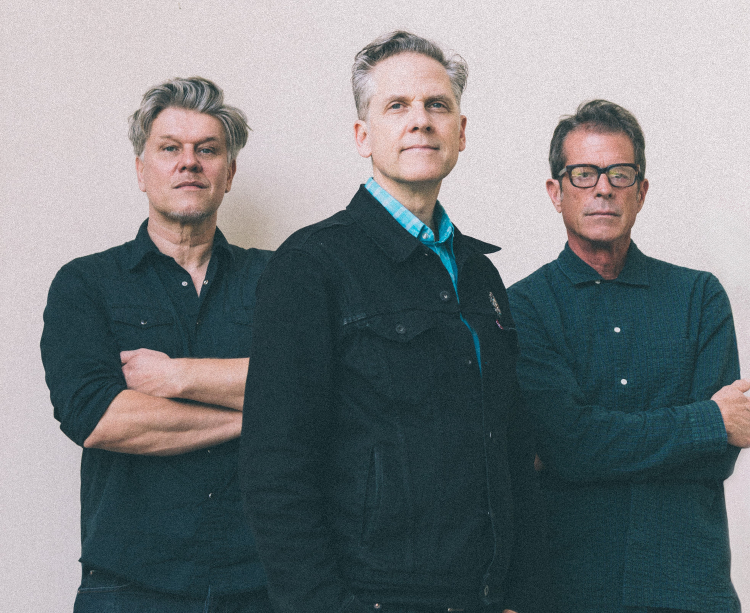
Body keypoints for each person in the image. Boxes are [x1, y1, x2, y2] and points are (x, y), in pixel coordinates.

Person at [239, 31, 546, 613]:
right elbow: (276, 471)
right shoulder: (311, 266)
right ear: (363, 136)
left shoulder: (480, 274)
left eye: (437, 105)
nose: (420, 120)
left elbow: (511, 451)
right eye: (397, 105)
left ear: (461, 131)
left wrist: (519, 595)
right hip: (375, 598)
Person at [507, 99, 750, 613]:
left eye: (619, 174)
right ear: (556, 193)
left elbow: (720, 455)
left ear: (641, 192)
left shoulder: (699, 297)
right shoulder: (522, 307)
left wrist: (595, 442)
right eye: (583, 174)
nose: (603, 188)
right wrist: (707, 421)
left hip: (689, 589)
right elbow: (568, 445)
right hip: (571, 590)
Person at [40, 77, 273, 612]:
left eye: (207, 150)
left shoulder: (279, 280)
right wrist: (263, 412)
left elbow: (321, 383)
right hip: (129, 584)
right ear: (141, 171)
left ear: (229, 173)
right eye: (170, 149)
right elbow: (98, 419)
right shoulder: (86, 283)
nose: (189, 162)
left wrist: (175, 377)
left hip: (260, 584)